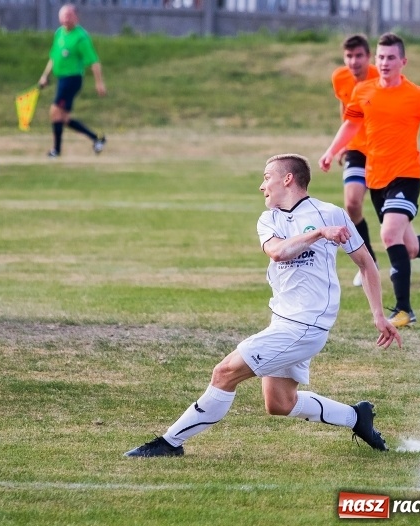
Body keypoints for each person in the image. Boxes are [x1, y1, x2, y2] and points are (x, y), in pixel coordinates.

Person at [124, 154, 401, 458]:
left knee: (224, 372)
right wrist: (318, 234)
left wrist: (378, 314)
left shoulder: (330, 213)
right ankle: (355, 417)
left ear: (288, 179)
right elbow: (278, 252)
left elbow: (366, 264)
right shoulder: (269, 219)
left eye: (267, 177)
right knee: (280, 403)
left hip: (305, 325)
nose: (261, 185)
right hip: (283, 321)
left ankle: (169, 443)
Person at [319, 32, 420, 329]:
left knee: (389, 235)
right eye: (380, 57)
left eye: (390, 57)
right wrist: (332, 150)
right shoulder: (364, 91)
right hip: (377, 178)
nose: (384, 62)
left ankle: (404, 309)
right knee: (408, 248)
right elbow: (351, 123)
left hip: (407, 175)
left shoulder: (418, 95)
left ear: (403, 62)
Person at [331, 34, 380, 287]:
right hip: (357, 150)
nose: (353, 61)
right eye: (349, 56)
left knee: (395, 226)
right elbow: (345, 110)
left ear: (368, 57)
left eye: (359, 55)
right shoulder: (339, 78)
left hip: (382, 151)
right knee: (351, 204)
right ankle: (369, 261)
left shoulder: (380, 77)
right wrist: (341, 144)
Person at [38, 3, 107, 158]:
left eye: (69, 15)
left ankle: (56, 151)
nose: (66, 18)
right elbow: (53, 58)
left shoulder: (81, 37)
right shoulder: (59, 34)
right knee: (63, 118)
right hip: (61, 78)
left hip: (72, 79)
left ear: (77, 17)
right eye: (64, 15)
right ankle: (97, 139)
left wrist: (99, 83)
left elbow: (93, 61)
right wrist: (45, 76)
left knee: (54, 112)